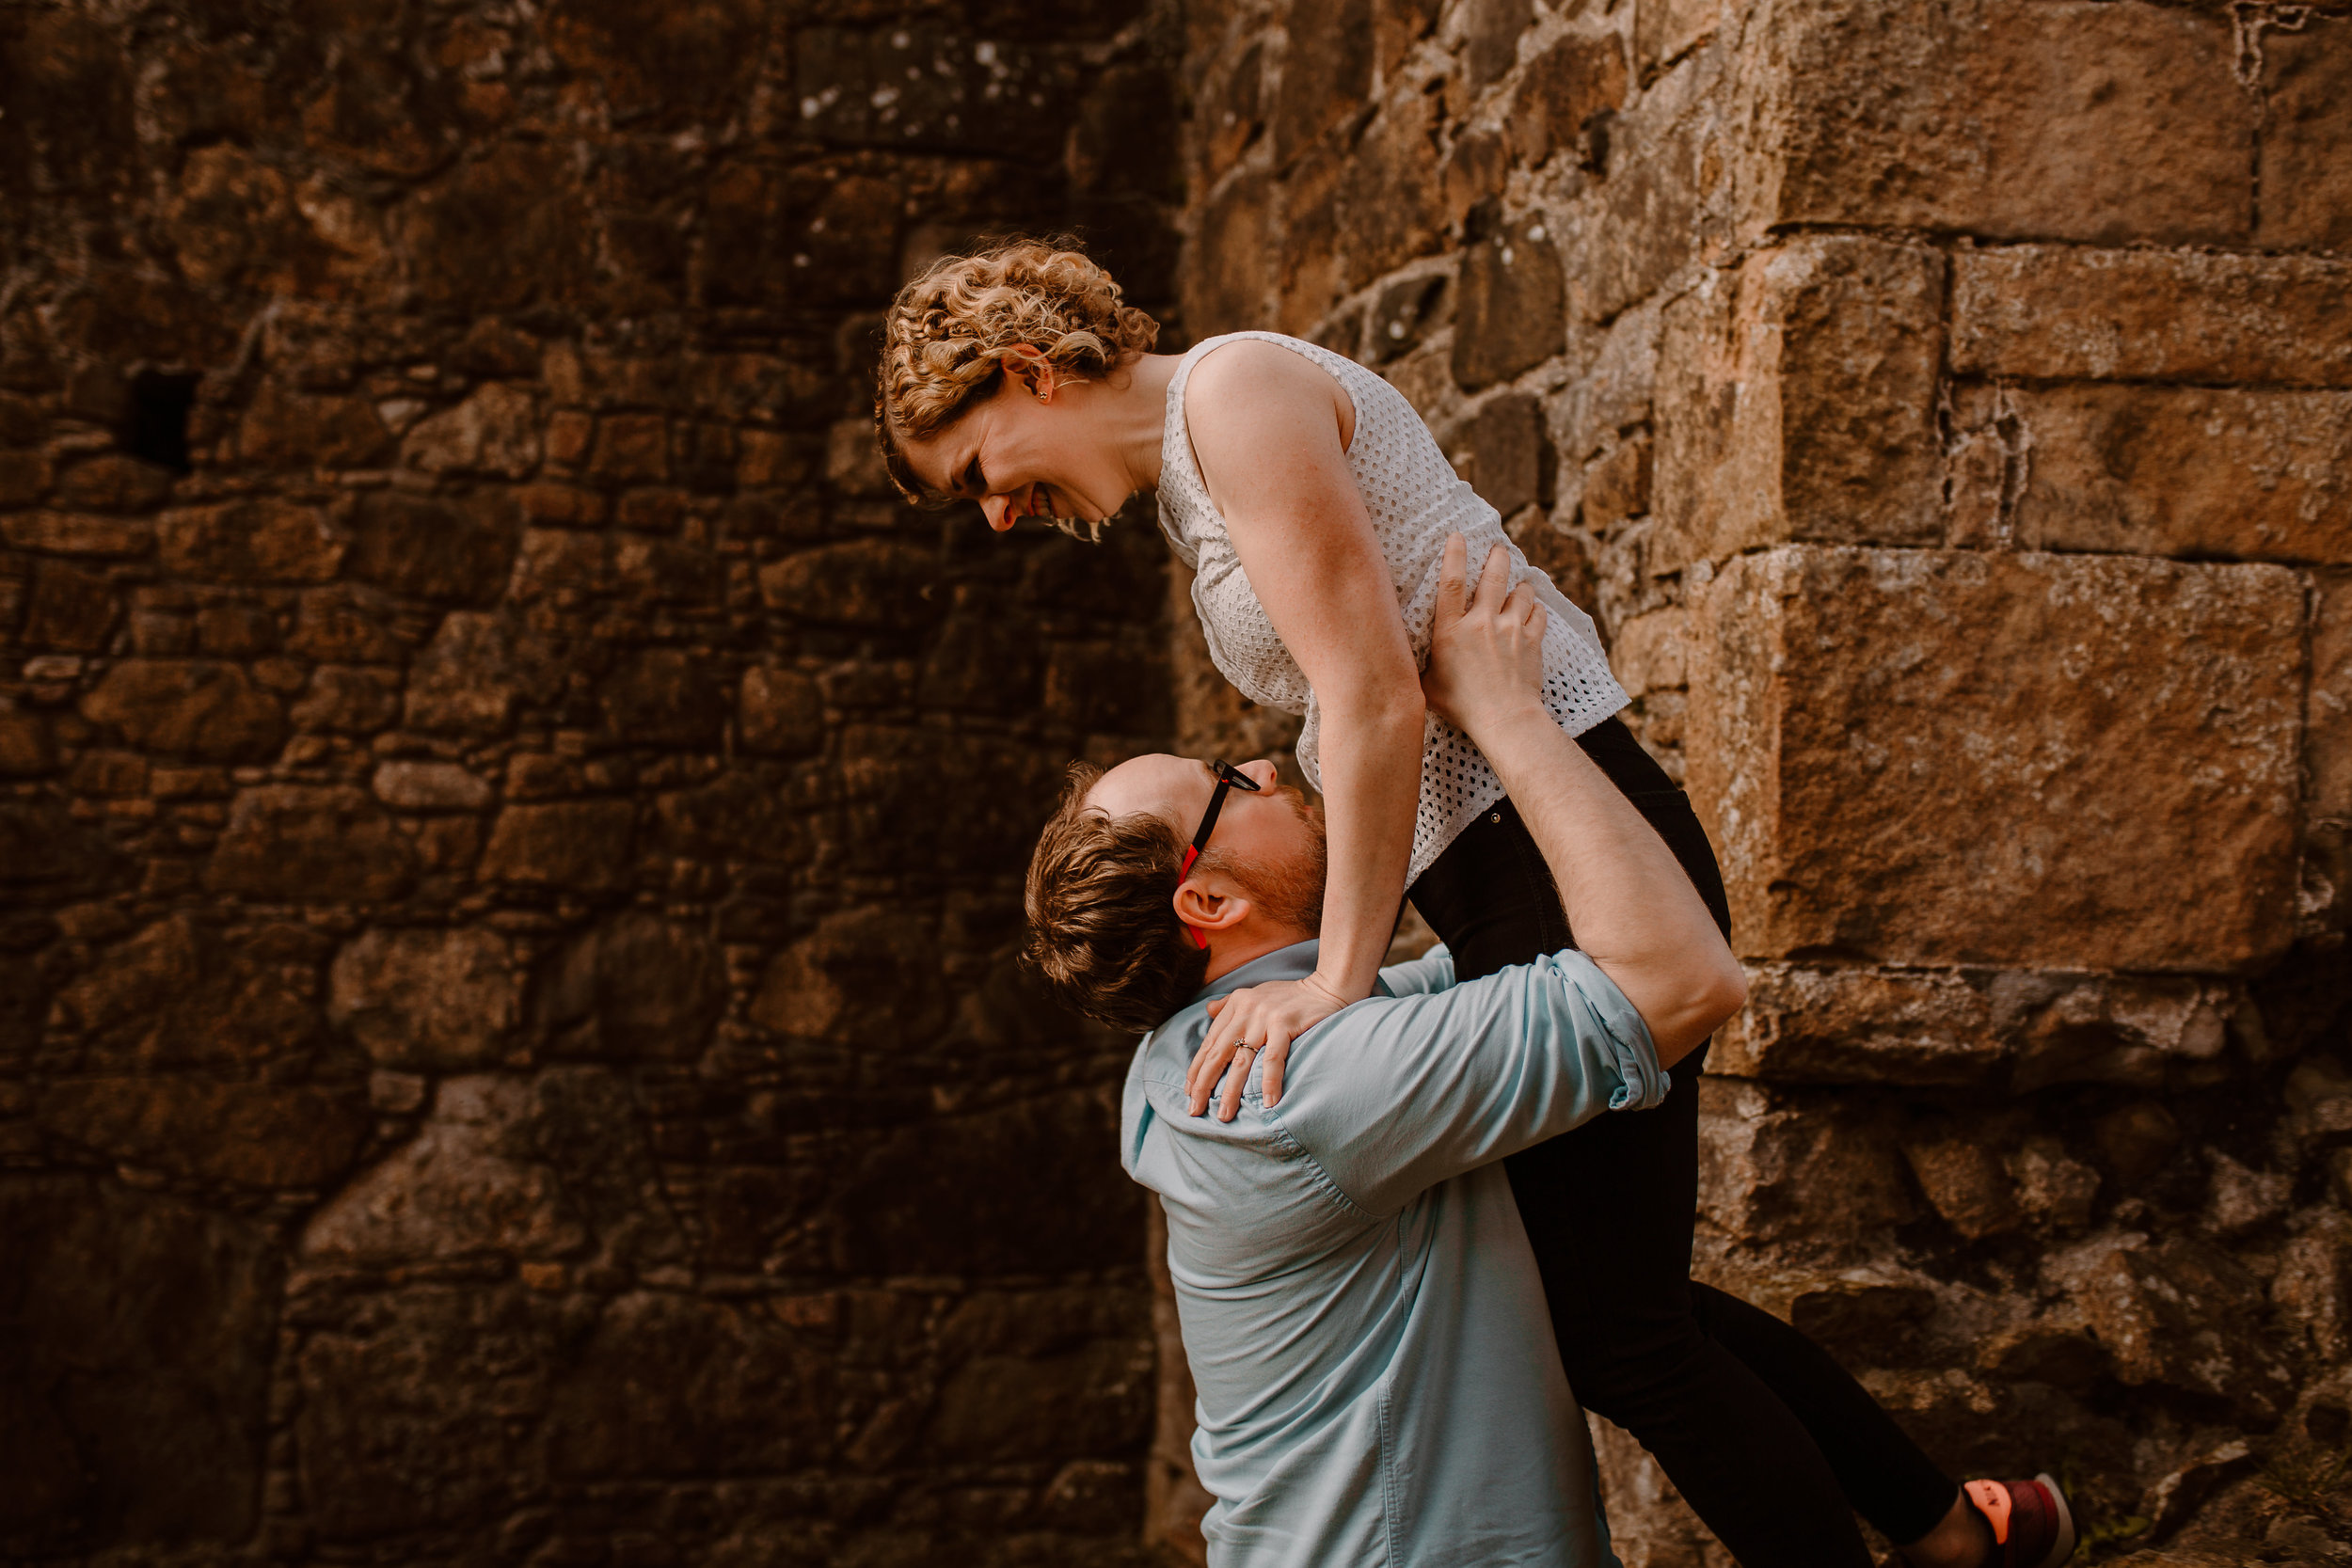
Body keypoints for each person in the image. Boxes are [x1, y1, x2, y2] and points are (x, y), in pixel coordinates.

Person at [882, 240, 2073, 1568]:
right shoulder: (1190, 471)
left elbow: (1376, 695)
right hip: (1499, 860)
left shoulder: (1236, 396)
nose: (992, 516)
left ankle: (1951, 1544)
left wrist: (1337, 986)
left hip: (1549, 837)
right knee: (1623, 1315)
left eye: (976, 472)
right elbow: (1356, 706)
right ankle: (1956, 1531)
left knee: (1625, 1337)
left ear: (1028, 372)